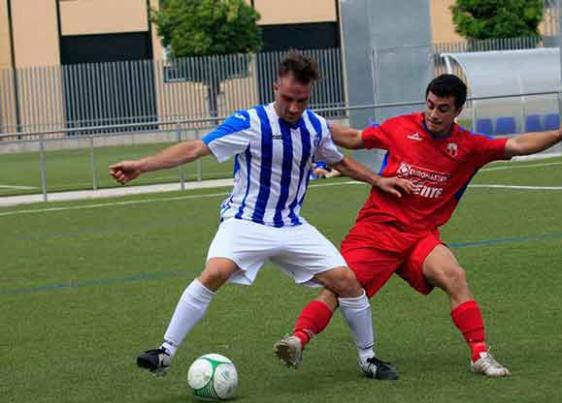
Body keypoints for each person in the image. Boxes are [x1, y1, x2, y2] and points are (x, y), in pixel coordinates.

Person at [109, 51, 413, 380]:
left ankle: (368, 359)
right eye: (288, 99)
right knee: (215, 272)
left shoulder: (315, 126)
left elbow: (337, 160)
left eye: (302, 100)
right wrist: (142, 165)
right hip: (245, 222)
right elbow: (196, 148)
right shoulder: (250, 122)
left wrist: (377, 179)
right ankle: (165, 352)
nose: (295, 108)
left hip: (292, 226)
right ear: (274, 88)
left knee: (348, 283)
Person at [274, 73, 562, 377]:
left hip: (419, 236)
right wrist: (308, 120)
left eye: (443, 108)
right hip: (377, 228)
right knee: (341, 286)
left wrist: (559, 134)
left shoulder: (468, 145)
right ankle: (298, 339)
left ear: (458, 110)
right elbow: (355, 137)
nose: (433, 114)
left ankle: (479, 354)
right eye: (430, 105)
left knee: (455, 276)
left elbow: (516, 144)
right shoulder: (401, 127)